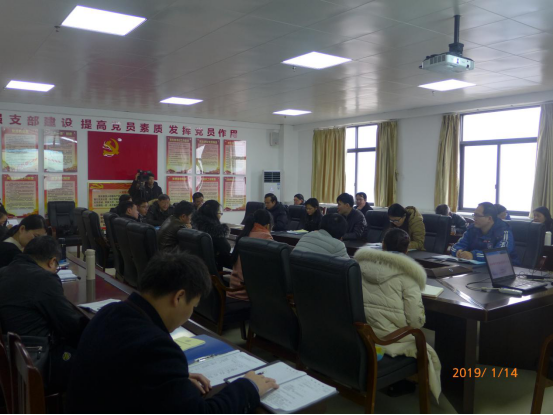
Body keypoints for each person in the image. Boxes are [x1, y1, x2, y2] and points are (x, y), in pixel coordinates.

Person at [66, 251, 278, 414]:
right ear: (178, 297)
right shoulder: (158, 348)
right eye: (193, 306)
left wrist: (172, 380)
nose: (190, 313)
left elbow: (129, 373)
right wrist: (249, 387)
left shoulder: (110, 311)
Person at [354, 228, 442, 402]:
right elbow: (415, 322)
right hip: (390, 338)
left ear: (383, 245)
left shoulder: (358, 265)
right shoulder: (408, 274)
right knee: (421, 340)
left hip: (360, 332)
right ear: (407, 250)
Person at [0, 236, 88, 393]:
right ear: (52, 262)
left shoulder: (3, 272)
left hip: (7, 360)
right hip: (33, 364)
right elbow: (70, 325)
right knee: (94, 360)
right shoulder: (44, 279)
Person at [451, 202, 520, 265]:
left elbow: (500, 254)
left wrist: (473, 255)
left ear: (489, 218)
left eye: (478, 215)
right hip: (477, 267)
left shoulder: (504, 231)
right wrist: (458, 251)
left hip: (505, 269)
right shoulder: (472, 229)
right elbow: (455, 247)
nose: (474, 218)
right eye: (474, 215)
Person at [229, 210, 274, 301]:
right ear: (268, 226)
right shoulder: (266, 237)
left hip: (234, 288)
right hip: (249, 294)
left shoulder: (244, 234)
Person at [192, 200, 232, 269]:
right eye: (219, 213)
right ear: (214, 214)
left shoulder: (194, 225)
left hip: (198, 267)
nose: (220, 215)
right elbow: (226, 249)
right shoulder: (217, 232)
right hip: (213, 269)